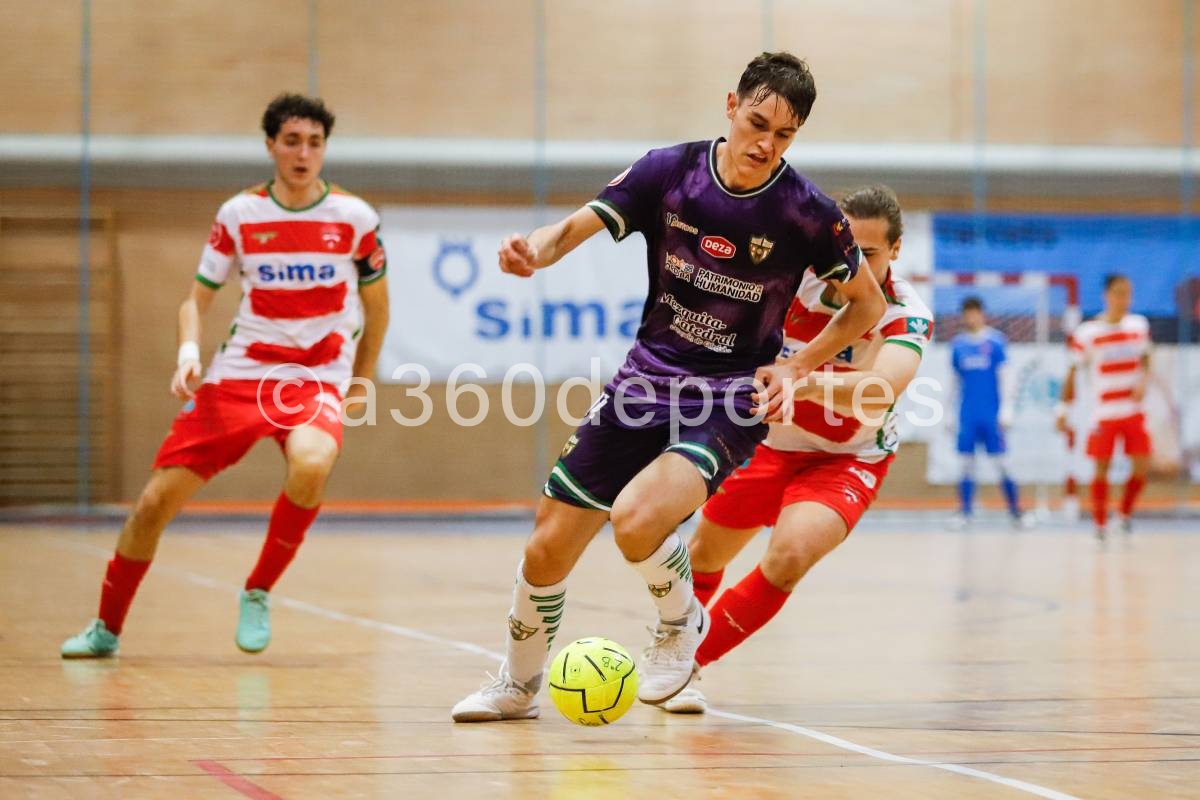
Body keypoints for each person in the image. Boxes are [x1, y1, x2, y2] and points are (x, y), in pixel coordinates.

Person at [451, 52, 886, 722]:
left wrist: (799, 367)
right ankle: (518, 685)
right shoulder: (669, 171)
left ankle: (683, 623)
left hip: (730, 396)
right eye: (758, 122)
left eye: (784, 135)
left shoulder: (807, 212)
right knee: (546, 545)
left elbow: (867, 306)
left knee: (638, 519)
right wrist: (532, 252)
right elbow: (570, 230)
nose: (765, 144)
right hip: (646, 378)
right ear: (731, 104)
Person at [61, 93, 390, 658]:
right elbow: (195, 300)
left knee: (313, 462)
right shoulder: (239, 214)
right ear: (270, 146)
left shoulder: (354, 219)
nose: (303, 152)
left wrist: (361, 379)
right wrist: (189, 352)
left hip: (315, 376)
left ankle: (258, 590)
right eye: (292, 141)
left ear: (325, 149)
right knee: (151, 506)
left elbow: (378, 308)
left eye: (314, 142)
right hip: (240, 374)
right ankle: (106, 627)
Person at [657, 185, 933, 714]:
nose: (851, 263)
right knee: (703, 556)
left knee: (787, 557)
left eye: (869, 253)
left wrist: (800, 383)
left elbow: (879, 391)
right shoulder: (792, 280)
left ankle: (685, 667)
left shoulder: (905, 314)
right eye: (847, 248)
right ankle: (666, 645)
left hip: (845, 457)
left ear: (896, 251)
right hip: (769, 445)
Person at [1056, 274, 1152, 539]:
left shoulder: (1138, 325)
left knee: (1142, 466)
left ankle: (1123, 515)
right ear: (1107, 295)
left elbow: (1146, 357)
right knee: (1102, 468)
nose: (1125, 300)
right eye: (1120, 293)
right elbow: (1072, 373)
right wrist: (1062, 410)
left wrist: (1143, 380)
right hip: (1104, 412)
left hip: (1133, 410)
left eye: (1128, 293)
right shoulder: (1088, 333)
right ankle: (1099, 523)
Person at [947, 296, 1030, 529]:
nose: (971, 317)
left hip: (991, 414)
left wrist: (1006, 410)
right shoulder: (958, 345)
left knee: (1002, 463)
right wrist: (949, 414)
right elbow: (954, 381)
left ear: (982, 314)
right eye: (967, 313)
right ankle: (965, 512)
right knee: (965, 464)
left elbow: (1006, 378)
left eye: (975, 312)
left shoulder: (996, 342)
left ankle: (1016, 511)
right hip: (968, 414)